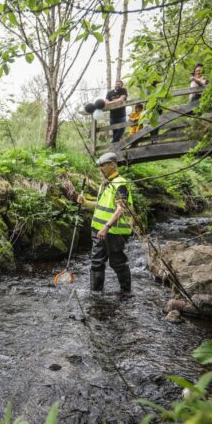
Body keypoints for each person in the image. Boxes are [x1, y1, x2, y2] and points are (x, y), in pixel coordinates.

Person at [77, 152, 134, 295]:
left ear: (112, 165)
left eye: (102, 165)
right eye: (99, 165)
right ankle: (95, 294)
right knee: (96, 262)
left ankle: (126, 293)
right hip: (98, 230)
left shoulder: (120, 184)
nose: (99, 168)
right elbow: (100, 205)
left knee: (117, 263)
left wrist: (107, 227)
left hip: (114, 232)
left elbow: (121, 209)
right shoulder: (105, 184)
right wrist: (85, 202)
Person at [104, 79, 128, 143]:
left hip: (122, 115)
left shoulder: (123, 90)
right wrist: (115, 101)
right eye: (117, 84)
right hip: (113, 116)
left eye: (120, 85)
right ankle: (116, 147)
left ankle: (113, 143)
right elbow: (106, 102)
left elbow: (121, 99)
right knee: (115, 132)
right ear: (115, 85)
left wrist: (111, 102)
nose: (118, 85)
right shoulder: (109, 93)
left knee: (121, 129)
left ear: (121, 86)